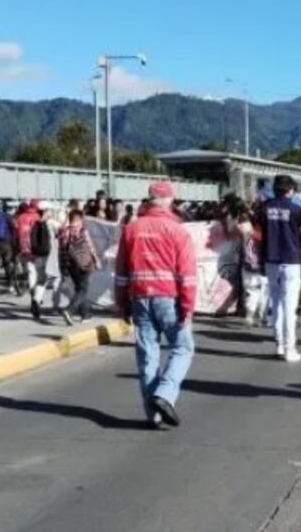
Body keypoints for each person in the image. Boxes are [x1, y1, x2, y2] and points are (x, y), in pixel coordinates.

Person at [115, 182, 197, 429]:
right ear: (169, 200)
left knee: (147, 354)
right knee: (183, 347)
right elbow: (188, 274)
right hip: (169, 297)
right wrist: (188, 306)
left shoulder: (131, 229)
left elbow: (120, 272)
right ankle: (164, 395)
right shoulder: (177, 231)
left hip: (140, 297)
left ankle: (153, 415)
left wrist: (122, 303)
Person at [260, 175, 301, 362]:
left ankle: (278, 344)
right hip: (292, 261)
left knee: (275, 303)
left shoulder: (264, 208)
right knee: (289, 306)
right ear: (291, 190)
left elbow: (253, 232)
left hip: (270, 260)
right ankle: (289, 348)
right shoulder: (297, 210)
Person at [58, 209, 100, 325]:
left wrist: (63, 267)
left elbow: (61, 251)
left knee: (79, 289)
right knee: (83, 289)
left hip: (70, 265)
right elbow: (90, 247)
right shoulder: (82, 231)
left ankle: (85, 314)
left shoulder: (64, 232)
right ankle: (69, 310)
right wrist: (96, 260)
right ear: (79, 220)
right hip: (84, 264)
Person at [14, 200, 45, 318]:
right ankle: (37, 298)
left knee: (31, 273)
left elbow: (16, 234)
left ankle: (33, 297)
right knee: (41, 275)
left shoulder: (20, 217)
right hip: (37, 249)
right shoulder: (37, 217)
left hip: (24, 249)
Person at [236, 208, 267, 327]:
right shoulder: (257, 234)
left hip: (249, 266)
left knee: (252, 292)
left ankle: (252, 315)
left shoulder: (247, 233)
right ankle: (258, 316)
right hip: (258, 267)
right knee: (261, 293)